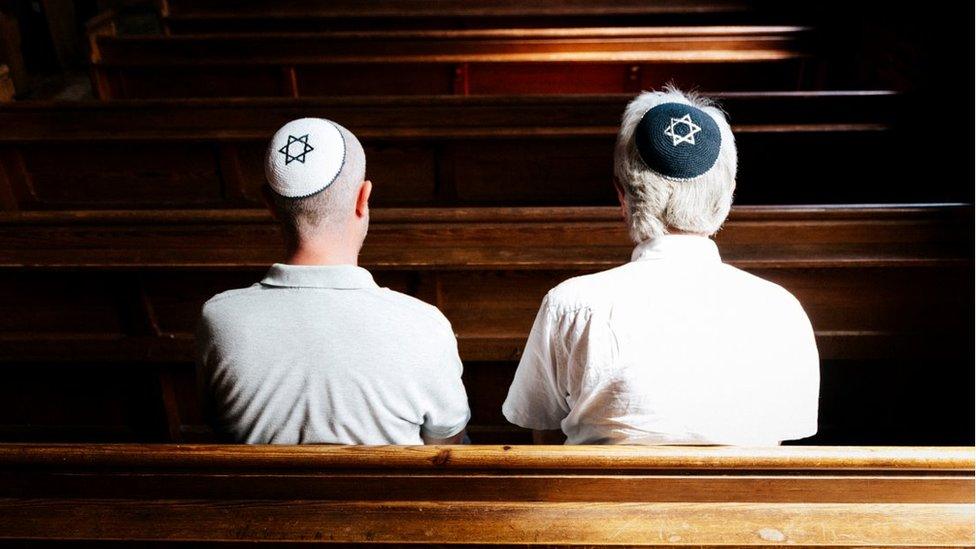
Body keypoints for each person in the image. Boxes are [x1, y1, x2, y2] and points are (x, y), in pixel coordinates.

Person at [502, 87, 820, 445]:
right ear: (728, 193)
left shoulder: (571, 305)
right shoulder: (781, 309)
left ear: (622, 195)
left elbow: (541, 433)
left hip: (601, 502)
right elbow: (785, 439)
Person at [196, 118, 470, 444]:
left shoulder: (219, 319)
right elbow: (448, 448)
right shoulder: (426, 325)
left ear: (269, 204)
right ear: (362, 198)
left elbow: (217, 428)